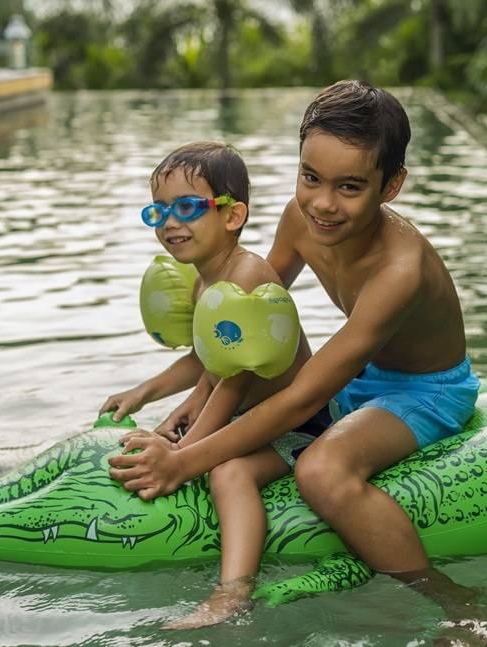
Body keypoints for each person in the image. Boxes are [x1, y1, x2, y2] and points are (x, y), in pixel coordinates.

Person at [108, 81, 483, 619]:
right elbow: (241, 328)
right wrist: (186, 401)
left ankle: (457, 607)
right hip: (362, 378)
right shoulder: (299, 218)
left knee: (321, 471)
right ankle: (234, 593)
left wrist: (182, 464)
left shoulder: (400, 270)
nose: (323, 204)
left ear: (391, 185)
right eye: (311, 178)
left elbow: (302, 397)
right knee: (236, 444)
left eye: (349, 187)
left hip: (426, 391)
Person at [99, 141, 330, 629]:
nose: (169, 223)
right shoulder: (205, 282)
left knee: (227, 474)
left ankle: (233, 592)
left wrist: (184, 454)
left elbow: (233, 380)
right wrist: (148, 396)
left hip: (298, 426)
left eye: (186, 207)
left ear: (232, 215)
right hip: (246, 415)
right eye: (158, 211)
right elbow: (206, 362)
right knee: (173, 441)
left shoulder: (247, 276)